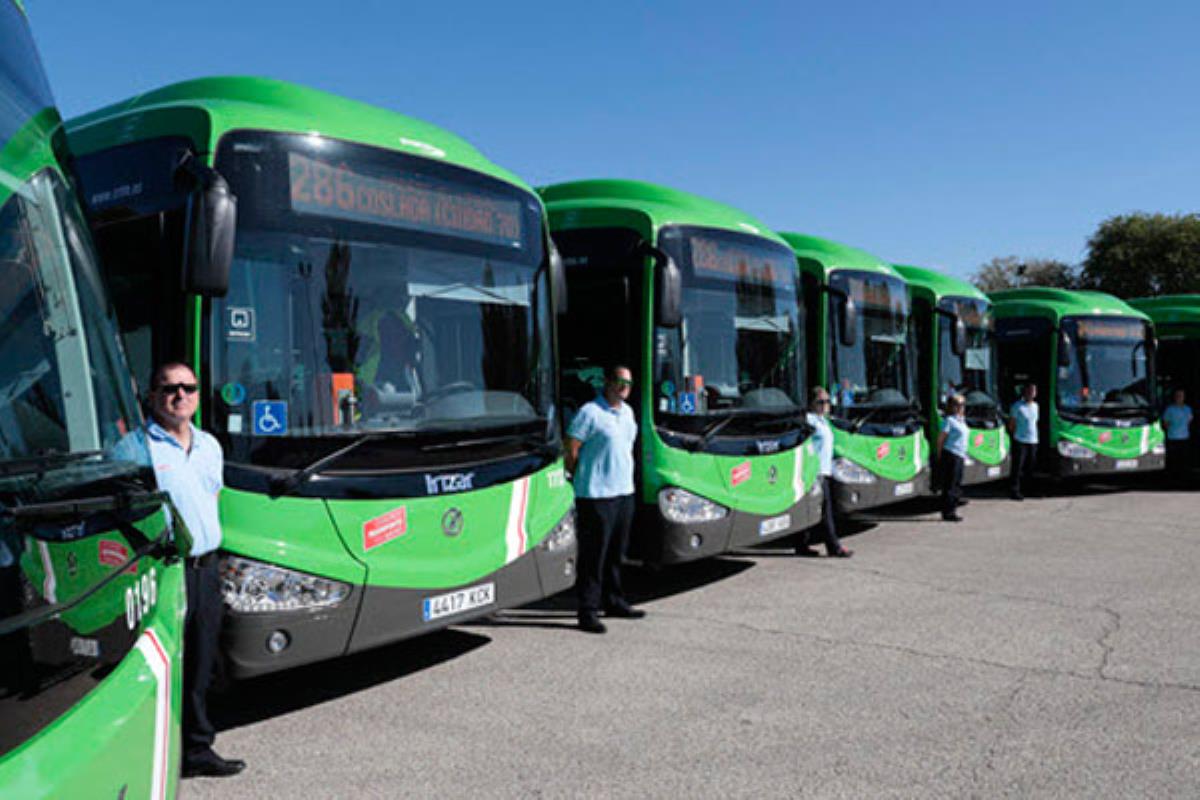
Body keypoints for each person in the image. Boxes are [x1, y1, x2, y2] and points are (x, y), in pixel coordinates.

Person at [145, 362, 245, 778]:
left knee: (202, 660)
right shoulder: (136, 448)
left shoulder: (210, 446)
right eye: (170, 388)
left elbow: (212, 499)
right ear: (154, 396)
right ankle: (155, 745)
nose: (180, 395)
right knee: (163, 660)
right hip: (166, 569)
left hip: (205, 569)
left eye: (188, 387)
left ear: (199, 395)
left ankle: (197, 750)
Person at [565, 365, 644, 634]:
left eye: (629, 383)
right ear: (608, 383)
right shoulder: (590, 412)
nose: (624, 386)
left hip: (623, 492)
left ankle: (614, 601)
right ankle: (587, 610)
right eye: (620, 381)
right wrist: (579, 476)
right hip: (597, 495)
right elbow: (572, 447)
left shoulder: (628, 412)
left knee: (616, 553)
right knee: (593, 556)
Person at [796, 387, 853, 558]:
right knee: (825, 510)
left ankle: (801, 545)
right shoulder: (809, 420)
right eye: (821, 402)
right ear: (812, 404)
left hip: (826, 471)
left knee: (814, 508)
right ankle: (834, 547)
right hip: (815, 471)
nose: (825, 405)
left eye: (828, 401)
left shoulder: (823, 421)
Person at [937, 395, 969, 522]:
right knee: (950, 485)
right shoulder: (949, 421)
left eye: (962, 405)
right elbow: (941, 439)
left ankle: (954, 508)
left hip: (960, 455)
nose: (961, 407)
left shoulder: (962, 420)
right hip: (951, 454)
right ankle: (948, 512)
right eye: (958, 405)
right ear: (952, 407)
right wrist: (939, 455)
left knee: (957, 484)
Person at [1008, 383, 1039, 501]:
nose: (1032, 393)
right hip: (1020, 440)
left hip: (1033, 440)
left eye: (1034, 391)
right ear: (1025, 392)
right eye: (1030, 390)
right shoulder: (1017, 406)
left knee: (1030, 467)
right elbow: (1012, 423)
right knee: (1018, 467)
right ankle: (1014, 490)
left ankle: (1029, 490)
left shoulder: (1036, 406)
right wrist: (1015, 435)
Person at [1162, 388, 1193, 483]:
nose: (1180, 397)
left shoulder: (1188, 409)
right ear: (1175, 397)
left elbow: (1190, 420)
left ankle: (1184, 479)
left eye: (1182, 396)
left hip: (1184, 437)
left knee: (1184, 460)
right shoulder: (1169, 409)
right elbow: (1165, 424)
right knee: (1173, 461)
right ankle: (1173, 479)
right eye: (1178, 396)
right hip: (1173, 438)